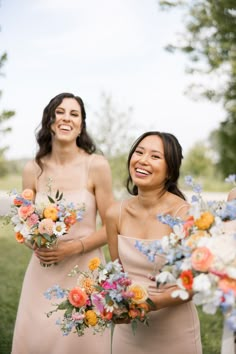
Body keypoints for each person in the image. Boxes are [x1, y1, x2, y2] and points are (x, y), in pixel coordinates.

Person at [11, 92, 114, 354]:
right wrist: (34, 241)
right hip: (42, 273)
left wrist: (73, 247)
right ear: (49, 120)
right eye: (60, 112)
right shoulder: (33, 168)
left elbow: (112, 225)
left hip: (84, 273)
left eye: (74, 113)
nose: (66, 118)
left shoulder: (96, 165)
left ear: (81, 125)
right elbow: (25, 221)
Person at [106, 131, 202, 354]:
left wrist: (150, 303)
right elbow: (116, 275)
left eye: (155, 156)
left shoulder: (184, 215)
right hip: (128, 335)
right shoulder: (115, 213)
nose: (143, 160)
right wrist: (114, 304)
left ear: (170, 170)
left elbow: (197, 284)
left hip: (175, 333)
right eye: (139, 152)